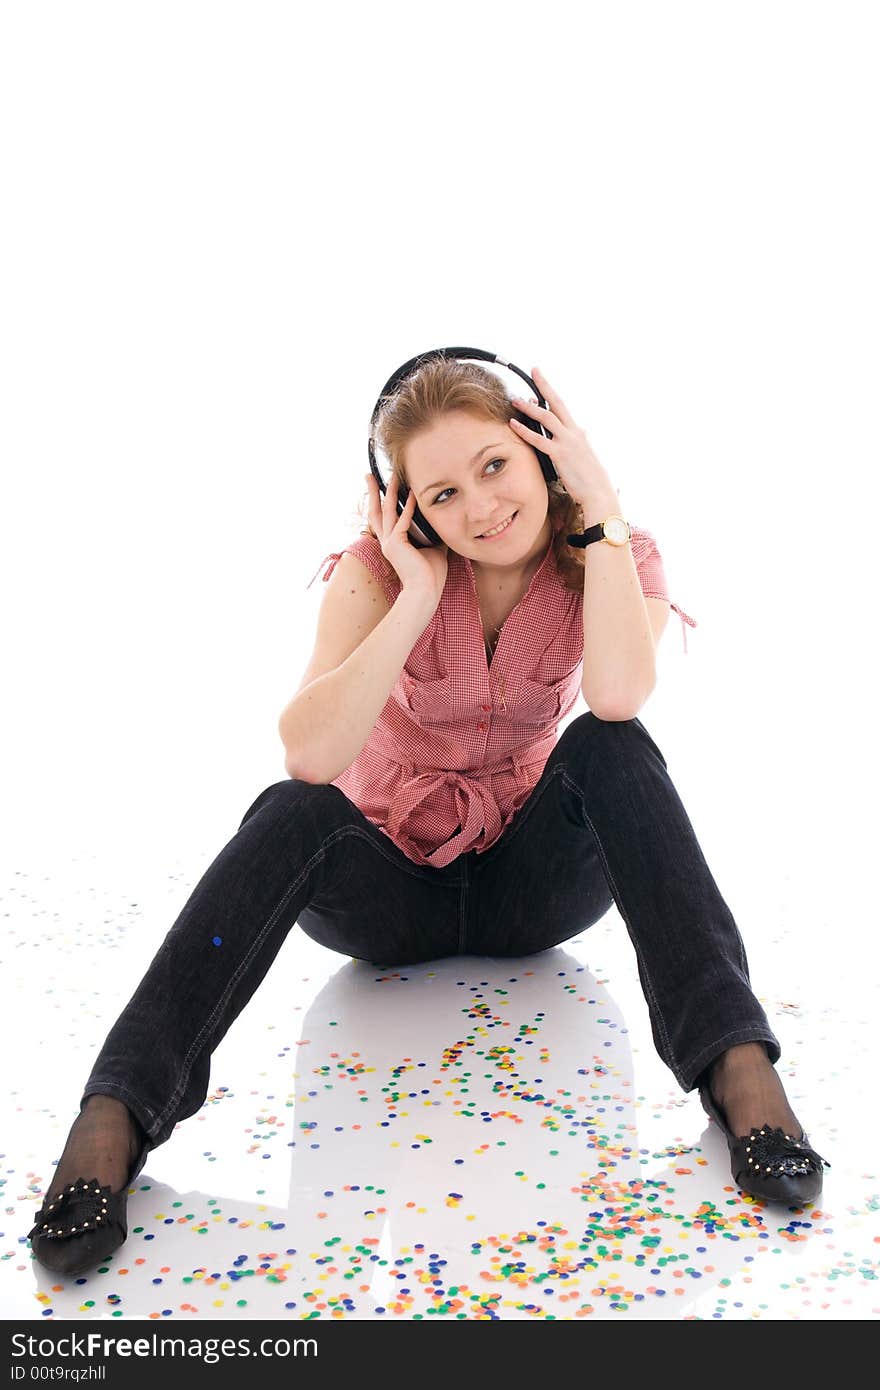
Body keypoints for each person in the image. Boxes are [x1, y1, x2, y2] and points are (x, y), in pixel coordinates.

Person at [28, 358, 827, 1276]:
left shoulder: (615, 550)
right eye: (444, 493)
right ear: (409, 508)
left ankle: (738, 1068)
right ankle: (116, 1114)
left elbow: (616, 696)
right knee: (292, 809)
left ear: (543, 453)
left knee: (616, 749)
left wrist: (598, 503)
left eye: (495, 466)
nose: (481, 507)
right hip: (386, 900)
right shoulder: (377, 571)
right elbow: (311, 756)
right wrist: (414, 597)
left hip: (533, 892)